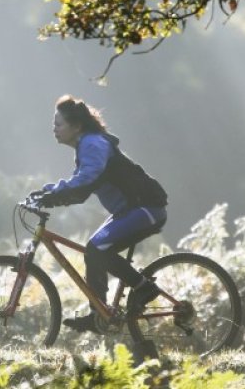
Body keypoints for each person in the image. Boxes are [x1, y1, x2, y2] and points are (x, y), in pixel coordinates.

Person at [33, 94, 168, 334]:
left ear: (76, 126)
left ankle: (143, 288)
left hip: (146, 208)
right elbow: (81, 188)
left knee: (97, 249)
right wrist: (48, 193)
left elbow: (86, 179)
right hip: (130, 210)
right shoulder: (87, 144)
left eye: (58, 124)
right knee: (94, 251)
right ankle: (99, 314)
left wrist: (51, 195)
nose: (54, 129)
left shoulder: (93, 143)